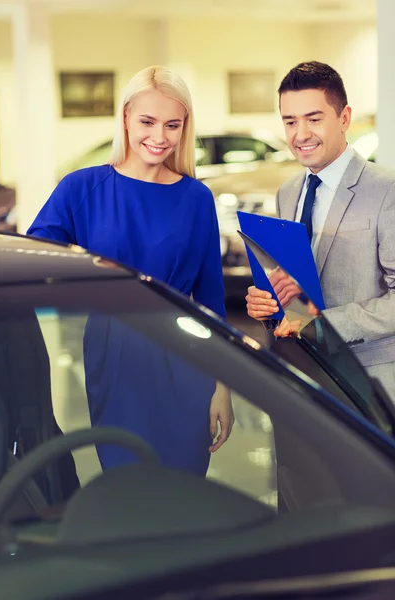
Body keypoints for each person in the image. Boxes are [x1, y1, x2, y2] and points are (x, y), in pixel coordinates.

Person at [27, 65, 234, 475]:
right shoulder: (81, 188)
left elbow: (211, 301)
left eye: (172, 125)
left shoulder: (196, 198)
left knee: (182, 493)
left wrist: (222, 387)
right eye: (147, 121)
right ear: (124, 118)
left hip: (186, 358)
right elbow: (35, 259)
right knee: (127, 485)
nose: (159, 137)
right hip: (114, 355)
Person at [246, 61, 395, 402]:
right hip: (302, 377)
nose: (301, 134)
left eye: (314, 119)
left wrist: (323, 326)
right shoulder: (288, 192)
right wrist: (270, 304)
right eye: (290, 121)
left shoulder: (388, 191)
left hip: (370, 383)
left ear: (344, 119)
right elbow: (298, 292)